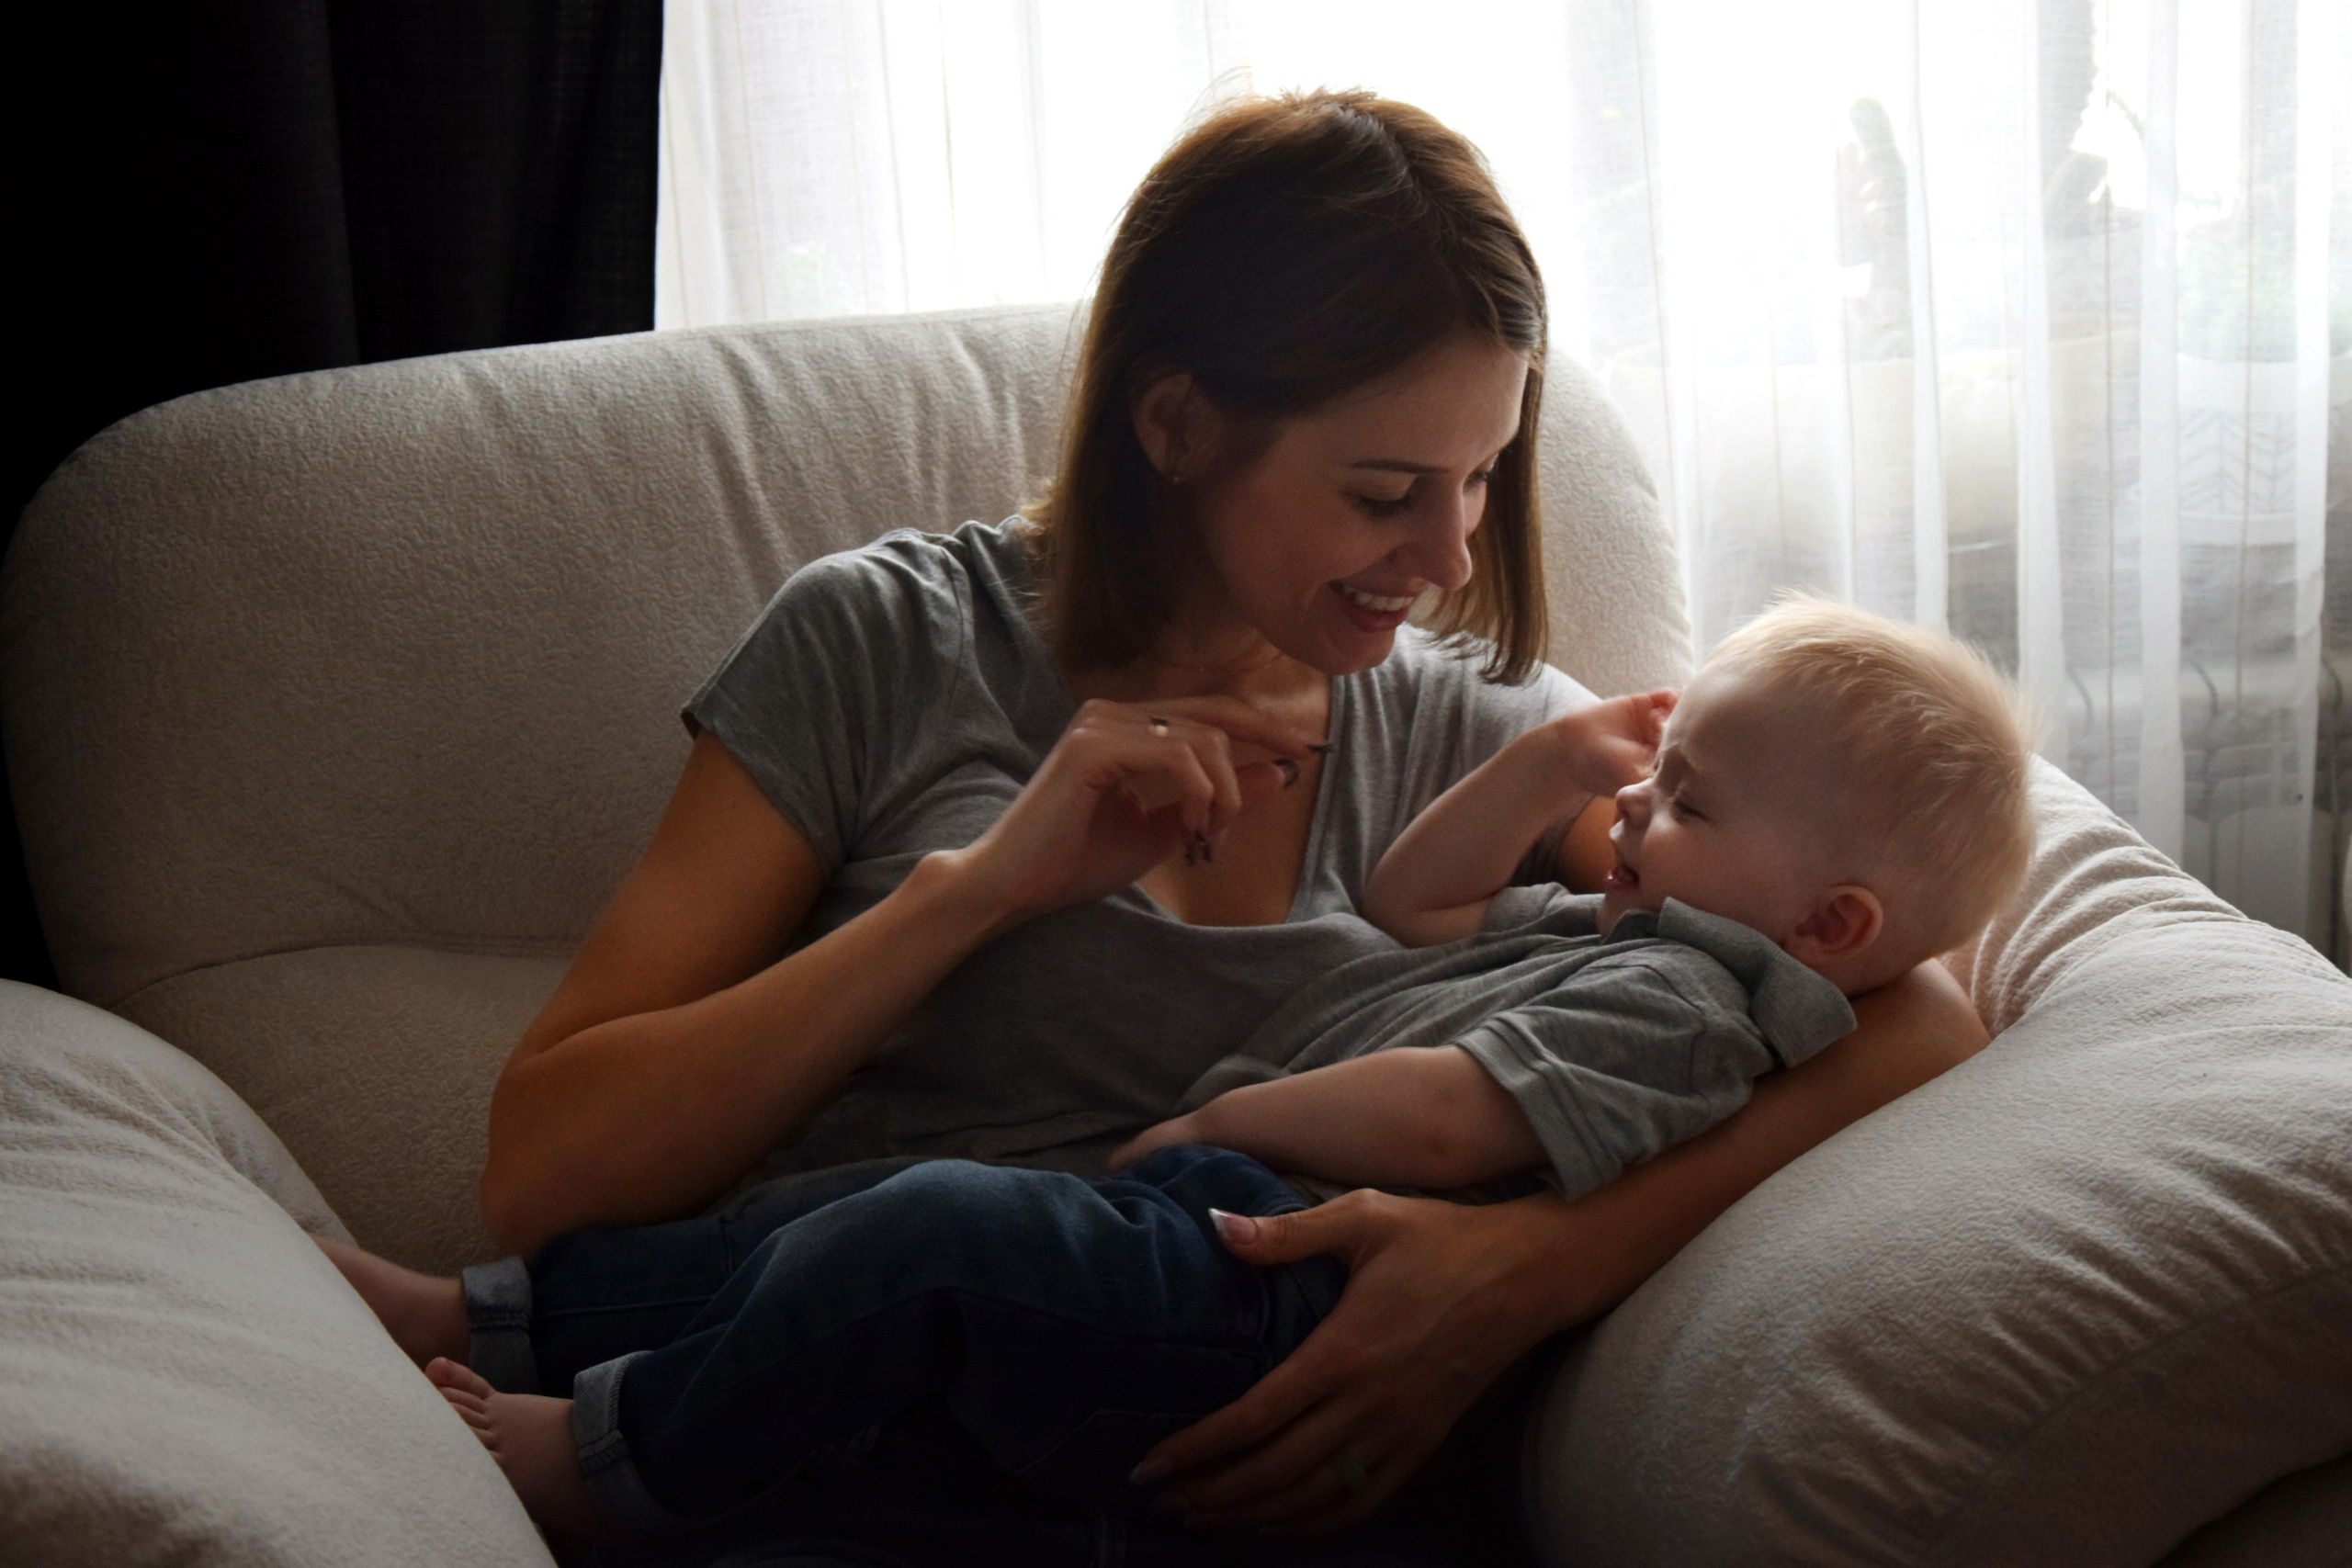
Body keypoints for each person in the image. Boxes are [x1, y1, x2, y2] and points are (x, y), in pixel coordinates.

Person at [322, 92, 1995, 1563]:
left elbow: (1909, 1002)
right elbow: (546, 1167)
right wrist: (976, 896)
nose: (1447, 557)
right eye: (1383, 489)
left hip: (1240, 1468)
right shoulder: (887, 644)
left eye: (1480, 479)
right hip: (822, 1439)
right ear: (1178, 420)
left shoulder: (1467, 725)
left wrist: (1532, 1275)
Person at [350, 598, 2031, 1554]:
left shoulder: (1697, 993)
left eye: (1690, 800)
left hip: (1279, 1270)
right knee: (837, 1215)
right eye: (1657, 778)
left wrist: (1226, 1117)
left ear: (1828, 921)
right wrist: (1543, 767)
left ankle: (615, 1459)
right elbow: (1412, 903)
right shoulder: (1615, 914)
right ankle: (491, 1317)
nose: (1642, 814)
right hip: (1200, 1218)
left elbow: (1455, 1113)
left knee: (930, 1235)